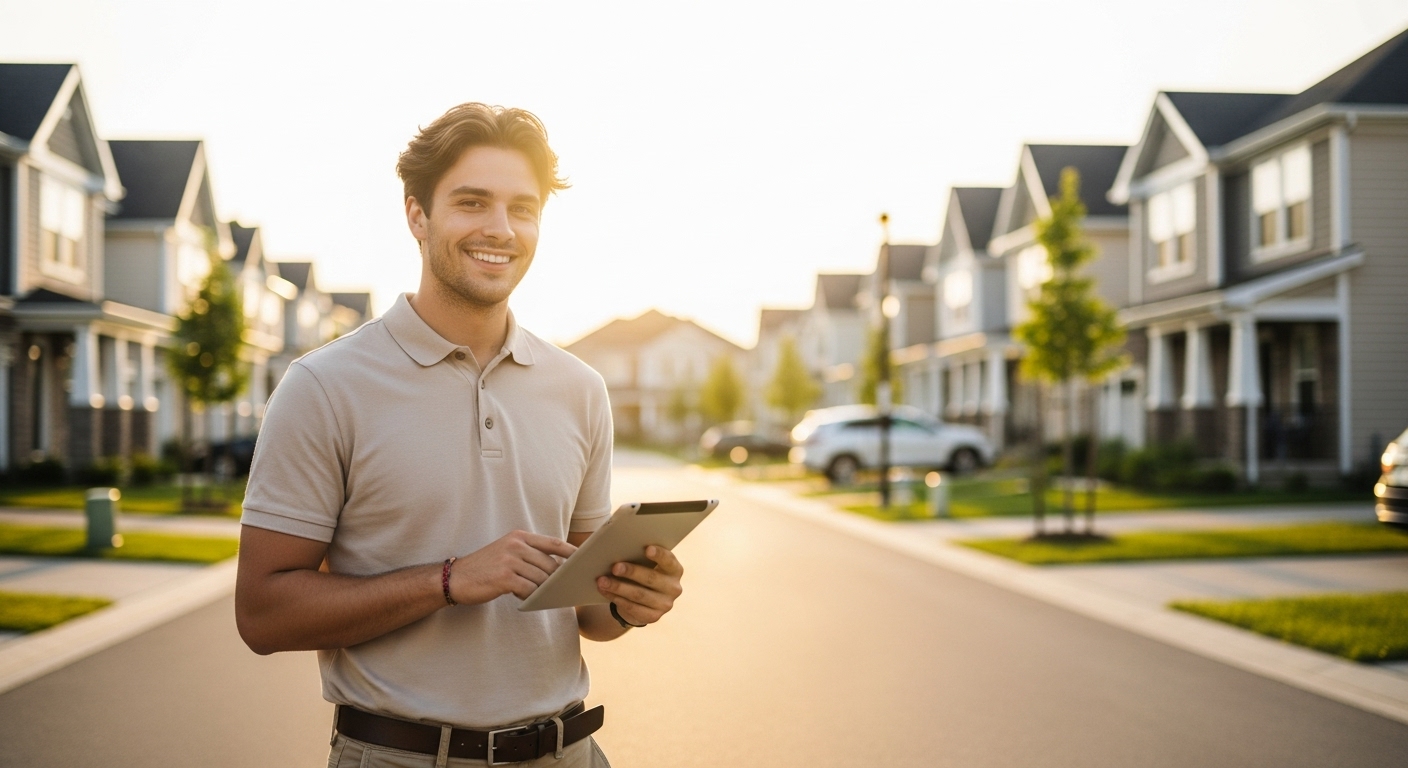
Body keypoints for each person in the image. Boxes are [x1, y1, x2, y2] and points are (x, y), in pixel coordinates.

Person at [234, 103, 685, 768]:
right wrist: (449, 580)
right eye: (472, 202)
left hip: (569, 752)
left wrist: (630, 601)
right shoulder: (324, 387)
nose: (500, 230)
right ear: (417, 215)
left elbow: (588, 614)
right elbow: (264, 615)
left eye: (522, 208)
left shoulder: (579, 389)